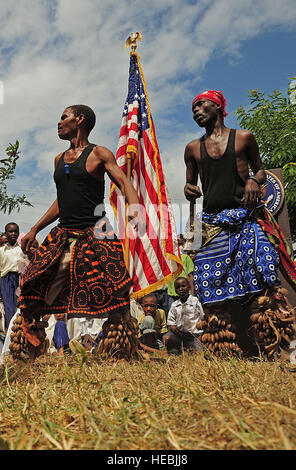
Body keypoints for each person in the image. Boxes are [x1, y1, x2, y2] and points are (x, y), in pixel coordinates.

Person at [18, 104, 142, 354]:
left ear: (80, 120)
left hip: (97, 229)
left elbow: (123, 181)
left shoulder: (99, 153)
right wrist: (34, 229)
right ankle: (29, 342)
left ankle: (122, 347)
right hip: (65, 231)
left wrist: (134, 209)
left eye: (64, 117)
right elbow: (61, 202)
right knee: (34, 281)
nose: (59, 122)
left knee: (116, 286)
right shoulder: (58, 159)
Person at [183, 89, 286, 355]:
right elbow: (190, 186)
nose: (195, 110)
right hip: (212, 225)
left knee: (262, 270)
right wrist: (188, 188)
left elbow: (261, 169)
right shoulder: (193, 148)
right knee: (209, 283)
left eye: (201, 105)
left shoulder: (243, 138)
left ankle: (269, 345)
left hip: (244, 220)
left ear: (217, 107)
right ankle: (224, 350)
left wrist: (254, 179)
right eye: (193, 107)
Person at [164, 277, 204, 355]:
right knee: (171, 339)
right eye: (178, 287)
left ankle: (190, 349)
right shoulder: (174, 305)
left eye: (183, 286)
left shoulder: (195, 301)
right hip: (180, 334)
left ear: (189, 287)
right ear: (175, 291)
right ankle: (175, 353)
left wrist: (201, 335)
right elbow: (171, 322)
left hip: (195, 335)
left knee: (197, 352)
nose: (181, 289)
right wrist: (175, 329)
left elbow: (202, 317)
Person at [0, 223, 23, 329]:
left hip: (19, 279)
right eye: (11, 231)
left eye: (16, 231)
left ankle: (21, 333)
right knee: (9, 308)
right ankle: (11, 333)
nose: (13, 233)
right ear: (6, 233)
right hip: (6, 280)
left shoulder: (22, 249)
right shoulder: (1, 251)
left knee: (20, 306)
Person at [166, 235, 195, 311]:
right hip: (172, 294)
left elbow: (190, 276)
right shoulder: (168, 259)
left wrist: (192, 293)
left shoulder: (186, 258)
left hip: (186, 294)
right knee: (173, 316)